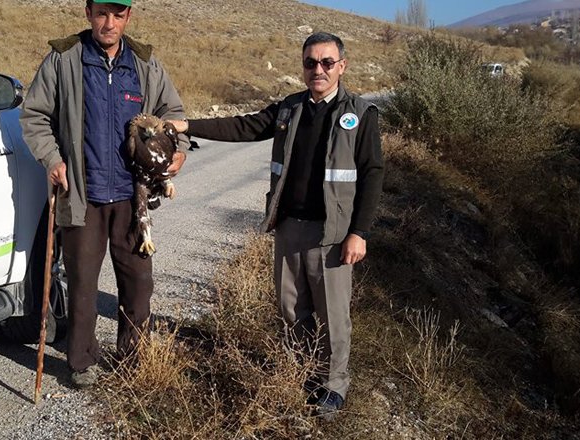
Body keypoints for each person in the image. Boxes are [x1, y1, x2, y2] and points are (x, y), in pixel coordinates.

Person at [171, 32, 383, 415]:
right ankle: (304, 373)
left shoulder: (361, 114)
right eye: (310, 62)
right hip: (289, 227)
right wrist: (187, 126)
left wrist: (359, 232)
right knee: (291, 308)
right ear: (302, 66)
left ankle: (334, 385)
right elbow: (244, 127)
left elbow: (372, 174)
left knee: (333, 315)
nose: (317, 70)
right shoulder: (290, 109)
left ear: (342, 66)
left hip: (332, 233)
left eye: (326, 62)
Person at [21, 0, 188, 388]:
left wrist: (177, 149)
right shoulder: (64, 59)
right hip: (82, 194)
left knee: (138, 281)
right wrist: (52, 158)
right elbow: (35, 115)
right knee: (81, 284)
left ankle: (133, 359)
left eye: (117, 14)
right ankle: (82, 362)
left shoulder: (145, 65)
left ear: (128, 16)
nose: (108, 23)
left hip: (134, 198)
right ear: (88, 13)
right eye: (101, 13)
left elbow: (173, 113)